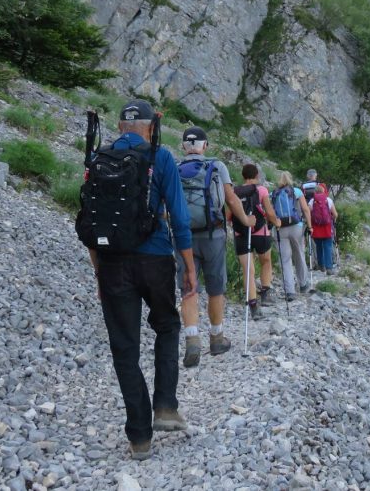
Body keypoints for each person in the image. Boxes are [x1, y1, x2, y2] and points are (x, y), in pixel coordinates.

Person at [87, 99, 197, 461]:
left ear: (120, 126)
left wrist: (99, 270)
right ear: (152, 126)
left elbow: (91, 218)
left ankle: (139, 437)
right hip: (155, 259)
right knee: (166, 325)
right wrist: (188, 265)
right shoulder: (160, 157)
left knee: (124, 347)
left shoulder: (99, 157)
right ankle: (165, 404)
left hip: (113, 261)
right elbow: (179, 217)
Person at [176, 126, 255, 367]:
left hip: (183, 237)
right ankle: (216, 338)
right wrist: (246, 220)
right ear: (205, 146)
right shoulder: (217, 166)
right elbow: (230, 199)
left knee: (189, 287)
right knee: (215, 287)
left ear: (184, 147)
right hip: (214, 234)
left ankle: (191, 340)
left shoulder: (175, 168)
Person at [230, 163, 280, 319]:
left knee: (248, 270)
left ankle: (253, 305)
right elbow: (269, 212)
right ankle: (265, 293)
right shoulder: (262, 190)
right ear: (257, 175)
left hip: (241, 234)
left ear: (243, 176)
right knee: (266, 261)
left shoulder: (234, 192)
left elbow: (227, 215)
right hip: (260, 233)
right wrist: (277, 222)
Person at [272, 171, 313, 300]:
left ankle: (290, 291)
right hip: (297, 227)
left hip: (280, 228)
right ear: (290, 179)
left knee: (285, 260)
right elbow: (306, 209)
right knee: (299, 254)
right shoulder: (296, 191)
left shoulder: (274, 193)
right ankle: (303, 284)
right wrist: (310, 226)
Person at [309, 185, 339, 275]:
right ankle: (329, 268)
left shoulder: (312, 201)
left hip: (316, 227)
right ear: (323, 191)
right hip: (327, 227)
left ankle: (321, 266)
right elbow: (335, 214)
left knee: (319, 246)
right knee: (328, 247)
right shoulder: (328, 200)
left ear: (315, 192)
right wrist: (332, 219)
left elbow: (308, 212)